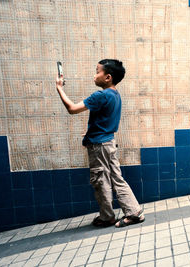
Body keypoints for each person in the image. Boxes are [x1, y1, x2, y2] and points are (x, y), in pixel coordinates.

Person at [55, 59, 144, 228]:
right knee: (116, 178)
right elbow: (105, 120)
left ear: (108, 77)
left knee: (100, 180)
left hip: (99, 146)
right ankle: (134, 212)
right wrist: (92, 131)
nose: (94, 75)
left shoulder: (100, 96)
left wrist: (59, 88)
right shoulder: (115, 95)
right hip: (108, 142)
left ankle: (107, 217)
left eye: (97, 71)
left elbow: (72, 109)